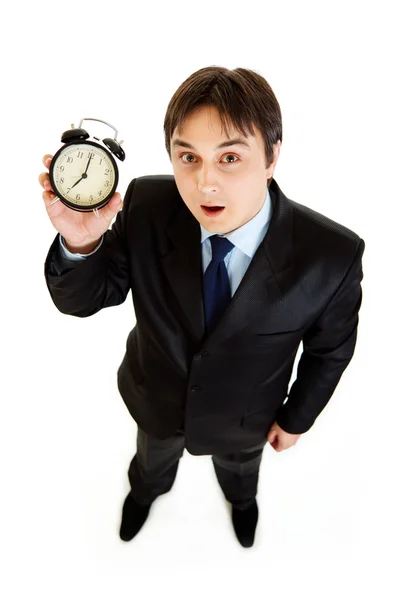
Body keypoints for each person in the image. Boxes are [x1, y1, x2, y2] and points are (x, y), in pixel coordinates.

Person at [39, 66, 365, 548]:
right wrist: (80, 241)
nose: (204, 182)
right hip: (157, 399)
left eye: (230, 156)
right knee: (150, 463)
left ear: (272, 156)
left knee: (240, 474)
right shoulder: (146, 204)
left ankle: (242, 502)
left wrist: (297, 418)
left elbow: (330, 353)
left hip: (247, 416)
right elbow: (85, 300)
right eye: (187, 156)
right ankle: (145, 494)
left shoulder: (331, 257)